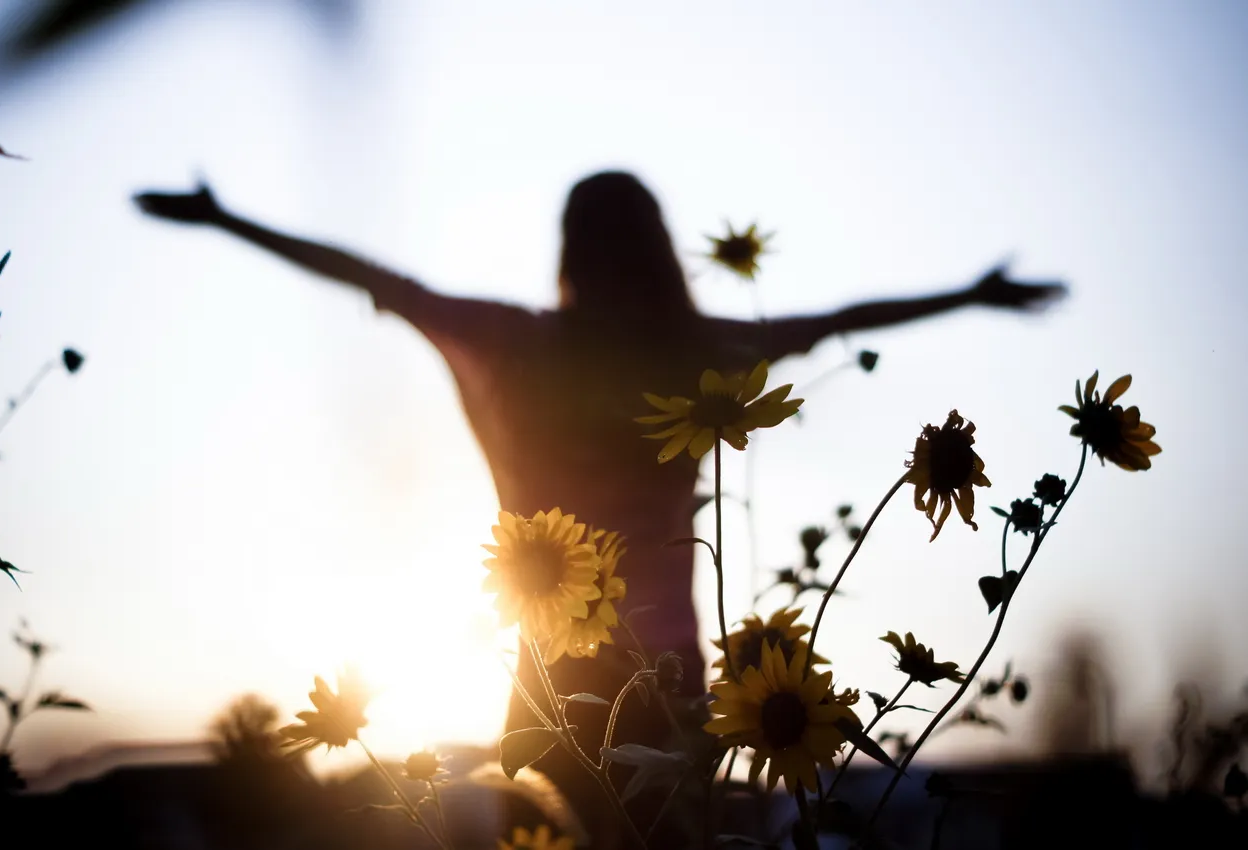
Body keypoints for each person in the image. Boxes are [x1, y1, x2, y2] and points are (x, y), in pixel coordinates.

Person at [135, 171, 1064, 846]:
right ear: (659, 249)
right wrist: (970, 295)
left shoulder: (516, 342)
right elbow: (840, 318)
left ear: (570, 253)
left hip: (562, 670)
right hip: (657, 670)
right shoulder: (694, 346)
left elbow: (377, 280)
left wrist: (227, 220)